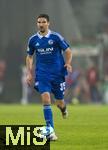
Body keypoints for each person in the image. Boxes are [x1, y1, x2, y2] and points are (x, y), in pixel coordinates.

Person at [26, 14, 72, 140]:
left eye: (43, 22)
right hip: (42, 74)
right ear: (37, 24)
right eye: (39, 22)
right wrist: (29, 72)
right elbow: (29, 56)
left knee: (59, 102)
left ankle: (63, 109)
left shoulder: (56, 37)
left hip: (57, 73)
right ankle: (50, 131)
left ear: (48, 23)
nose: (41, 24)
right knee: (46, 99)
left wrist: (67, 63)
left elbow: (68, 51)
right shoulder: (33, 40)